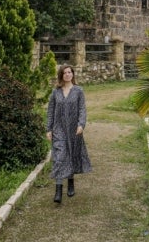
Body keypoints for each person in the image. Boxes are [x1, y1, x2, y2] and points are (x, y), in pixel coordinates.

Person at [46, 64, 92, 203]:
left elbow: (82, 110)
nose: (67, 74)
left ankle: (71, 181)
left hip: (73, 129)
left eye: (69, 72)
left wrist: (81, 124)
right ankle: (58, 190)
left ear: (72, 74)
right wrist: (49, 129)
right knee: (59, 157)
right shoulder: (56, 92)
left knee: (71, 155)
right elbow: (50, 112)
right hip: (58, 129)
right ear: (61, 75)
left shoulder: (78, 91)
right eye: (65, 72)